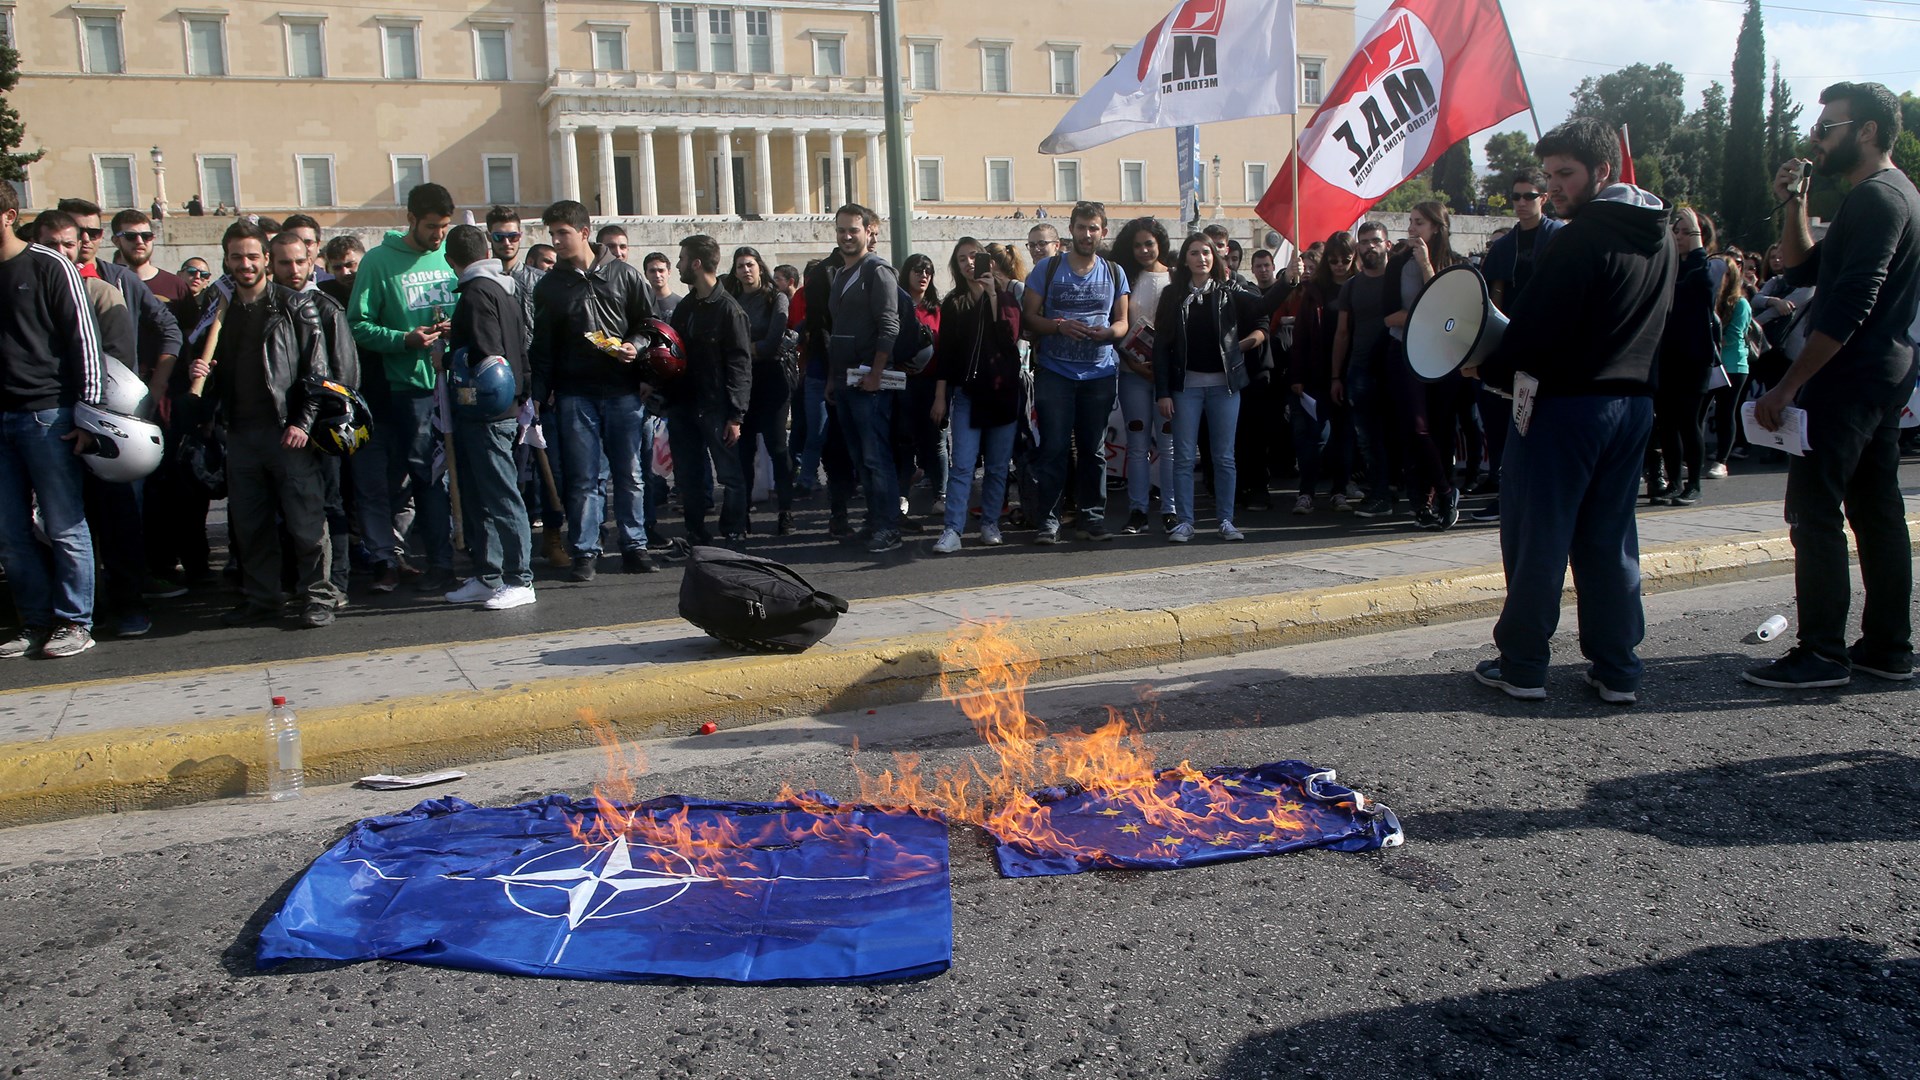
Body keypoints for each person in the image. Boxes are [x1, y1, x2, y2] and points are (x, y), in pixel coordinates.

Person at [1468, 116, 1675, 705]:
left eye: (1566, 175)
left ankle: (1525, 664)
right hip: (1632, 406)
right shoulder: (1659, 234)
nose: (1555, 188)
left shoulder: (1579, 237)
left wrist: (1487, 368)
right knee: (1610, 540)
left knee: (1538, 536)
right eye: (1551, 175)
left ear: (1601, 172)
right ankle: (1618, 668)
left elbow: (1536, 329)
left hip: (1567, 408)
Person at [1747, 81, 1920, 688]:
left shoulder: (1878, 199)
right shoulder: (1888, 196)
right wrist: (1794, 200)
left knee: (1814, 512)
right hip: (1882, 376)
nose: (1816, 138)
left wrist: (1788, 385)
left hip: (1846, 380)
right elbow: (1801, 268)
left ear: (1866, 131)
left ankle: (1822, 653)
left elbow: (1849, 305)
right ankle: (1888, 647)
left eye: (1827, 129)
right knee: (1876, 512)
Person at [189, 220, 353, 629]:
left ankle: (318, 596)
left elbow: (320, 373)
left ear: (265, 259)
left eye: (251, 256)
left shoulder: (296, 306)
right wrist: (201, 371)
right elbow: (215, 373)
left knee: (306, 522)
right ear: (226, 261)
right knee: (250, 524)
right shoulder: (221, 310)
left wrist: (303, 422)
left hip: (288, 433)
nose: (244, 264)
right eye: (235, 257)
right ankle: (262, 598)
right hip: (241, 435)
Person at [0, 189, 103, 659]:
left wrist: (89, 413)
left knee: (64, 524)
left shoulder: (47, 263)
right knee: (11, 532)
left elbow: (84, 337)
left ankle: (74, 621)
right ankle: (34, 623)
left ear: (9, 215)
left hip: (47, 414)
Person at [529, 199, 657, 577]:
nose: (556, 241)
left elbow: (648, 324)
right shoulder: (551, 285)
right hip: (574, 393)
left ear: (584, 232)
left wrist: (636, 345)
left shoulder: (625, 275)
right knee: (584, 477)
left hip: (622, 389)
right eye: (552, 234)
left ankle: (635, 546)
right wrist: (539, 394)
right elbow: (543, 346)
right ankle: (585, 550)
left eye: (562, 233)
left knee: (629, 472)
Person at [347, 181, 457, 594]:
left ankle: (441, 562)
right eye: (431, 226)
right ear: (410, 219)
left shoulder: (449, 256)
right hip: (397, 390)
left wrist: (454, 328)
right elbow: (357, 324)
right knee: (394, 481)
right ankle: (387, 560)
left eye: (444, 226)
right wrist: (403, 339)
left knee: (433, 482)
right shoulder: (378, 262)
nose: (438, 235)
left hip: (443, 387)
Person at [1021, 200, 1129, 544]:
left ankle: (1091, 519)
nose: (1087, 234)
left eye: (1093, 228)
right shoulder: (1047, 270)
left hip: (1099, 372)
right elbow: (1029, 318)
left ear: (1103, 232)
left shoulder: (1114, 271)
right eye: (1081, 227)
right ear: (1071, 231)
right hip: (1055, 371)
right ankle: (1048, 521)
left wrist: (1109, 334)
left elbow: (1122, 322)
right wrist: (1059, 326)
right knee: (1053, 447)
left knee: (1093, 450)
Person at [440, 224, 535, 611]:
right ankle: (489, 574)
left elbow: (486, 354)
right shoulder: (502, 288)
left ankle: (519, 578)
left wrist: (449, 357)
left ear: (451, 261)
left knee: (500, 494)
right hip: (503, 408)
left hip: (487, 411)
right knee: (484, 495)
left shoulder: (477, 294)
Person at [1153, 233, 1268, 543]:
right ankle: (1185, 522)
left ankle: (1226, 520)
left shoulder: (1229, 293)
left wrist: (1291, 281)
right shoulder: (1172, 296)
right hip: (1185, 387)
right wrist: (1162, 392)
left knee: (1224, 456)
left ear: (1215, 258)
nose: (1201, 258)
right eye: (1194, 252)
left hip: (1225, 387)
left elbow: (1264, 305)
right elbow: (1161, 347)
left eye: (1206, 252)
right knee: (1184, 457)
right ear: (1185, 259)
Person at [1476, 170, 1565, 521]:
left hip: (1548, 345)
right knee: (1502, 426)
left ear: (1544, 197)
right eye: (1516, 197)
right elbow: (1494, 296)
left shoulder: (1560, 237)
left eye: (1529, 196)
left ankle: (1541, 497)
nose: (1522, 203)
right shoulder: (1502, 246)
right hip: (1511, 345)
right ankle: (1505, 495)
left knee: (1541, 427)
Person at [929, 238, 1023, 552]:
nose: (970, 263)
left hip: (1002, 392)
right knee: (962, 465)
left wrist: (993, 295)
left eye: (974, 257)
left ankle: (990, 522)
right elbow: (946, 354)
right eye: (962, 259)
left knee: (997, 466)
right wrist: (940, 396)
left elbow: (1010, 339)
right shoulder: (954, 302)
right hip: (967, 392)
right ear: (956, 267)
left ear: (988, 261)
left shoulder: (1007, 297)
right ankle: (953, 529)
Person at [826, 203, 906, 553]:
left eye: (853, 230)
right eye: (841, 230)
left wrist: (876, 373)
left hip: (869, 383)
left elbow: (890, 324)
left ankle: (889, 526)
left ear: (868, 231)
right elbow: (837, 330)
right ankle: (874, 520)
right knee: (861, 459)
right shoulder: (841, 273)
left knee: (876, 457)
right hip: (845, 381)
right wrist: (832, 379)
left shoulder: (878, 271)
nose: (846, 236)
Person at [1380, 200, 1463, 530]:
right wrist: (1429, 316)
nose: (1412, 229)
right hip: (1404, 351)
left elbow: (1451, 308)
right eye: (1411, 221)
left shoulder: (1454, 263)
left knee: (1441, 428)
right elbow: (1390, 315)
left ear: (1437, 228)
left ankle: (1430, 500)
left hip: (1443, 357)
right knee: (1416, 428)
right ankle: (1441, 492)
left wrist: (1427, 265)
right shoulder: (1397, 263)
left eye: (1420, 223)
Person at [666, 234, 753, 545]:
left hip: (716, 406)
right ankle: (695, 531)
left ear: (697, 263)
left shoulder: (730, 310)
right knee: (687, 475)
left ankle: (733, 531)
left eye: (682, 259)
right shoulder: (687, 307)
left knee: (729, 474)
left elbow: (740, 366)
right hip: (683, 404)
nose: (678, 265)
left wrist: (736, 416)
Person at [1648, 206, 1716, 508]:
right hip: (1666, 357)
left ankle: (1694, 484)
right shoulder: (1668, 265)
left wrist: (1697, 239)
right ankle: (1674, 481)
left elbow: (1702, 287)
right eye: (1676, 231)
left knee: (1689, 422)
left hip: (1694, 359)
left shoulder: (1708, 267)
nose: (1679, 236)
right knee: (1667, 423)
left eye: (1686, 232)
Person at [724, 246, 795, 535]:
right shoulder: (731, 299)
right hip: (743, 383)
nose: (746, 270)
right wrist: (747, 351)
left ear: (760, 267)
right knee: (744, 450)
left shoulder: (775, 297)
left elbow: (772, 341)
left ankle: (786, 512)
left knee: (778, 448)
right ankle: (742, 515)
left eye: (750, 264)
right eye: (740, 266)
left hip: (772, 379)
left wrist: (744, 350)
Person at [1112, 216, 1175, 534]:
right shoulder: (1125, 278)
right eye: (1137, 245)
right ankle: (1137, 509)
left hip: (1168, 378)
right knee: (1136, 444)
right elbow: (1118, 323)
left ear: (1160, 243)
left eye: (1148, 243)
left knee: (1168, 443)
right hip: (1132, 372)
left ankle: (1171, 508)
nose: (1143, 250)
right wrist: (1133, 362)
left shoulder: (1176, 278)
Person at [1287, 232, 1357, 514]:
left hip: (1349, 371)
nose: (1339, 265)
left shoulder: (1359, 288)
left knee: (1344, 435)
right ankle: (1306, 491)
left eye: (1345, 260)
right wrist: (1297, 376)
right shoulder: (1315, 291)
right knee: (1316, 435)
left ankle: (1339, 489)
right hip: (1317, 372)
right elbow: (1301, 336)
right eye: (1334, 260)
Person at [1330, 222, 1396, 518]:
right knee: (1368, 438)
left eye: (1376, 241)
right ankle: (1379, 493)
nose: (1370, 246)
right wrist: (1336, 376)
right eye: (1365, 242)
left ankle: (1410, 492)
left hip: (1398, 366)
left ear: (1387, 245)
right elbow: (1342, 333)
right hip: (1360, 369)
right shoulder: (1351, 287)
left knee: (1403, 432)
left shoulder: (1401, 281)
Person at [1704, 255, 1752, 479]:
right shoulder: (1709, 298)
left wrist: (1707, 338)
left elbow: (1733, 336)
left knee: (1726, 412)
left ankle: (1721, 460)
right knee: (1698, 411)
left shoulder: (1740, 303)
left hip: (1733, 365)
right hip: (1710, 363)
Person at [642, 251, 681, 319]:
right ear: (646, 275)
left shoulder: (681, 304)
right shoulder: (641, 304)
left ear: (669, 272)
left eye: (661, 270)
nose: (657, 275)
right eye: (652, 271)